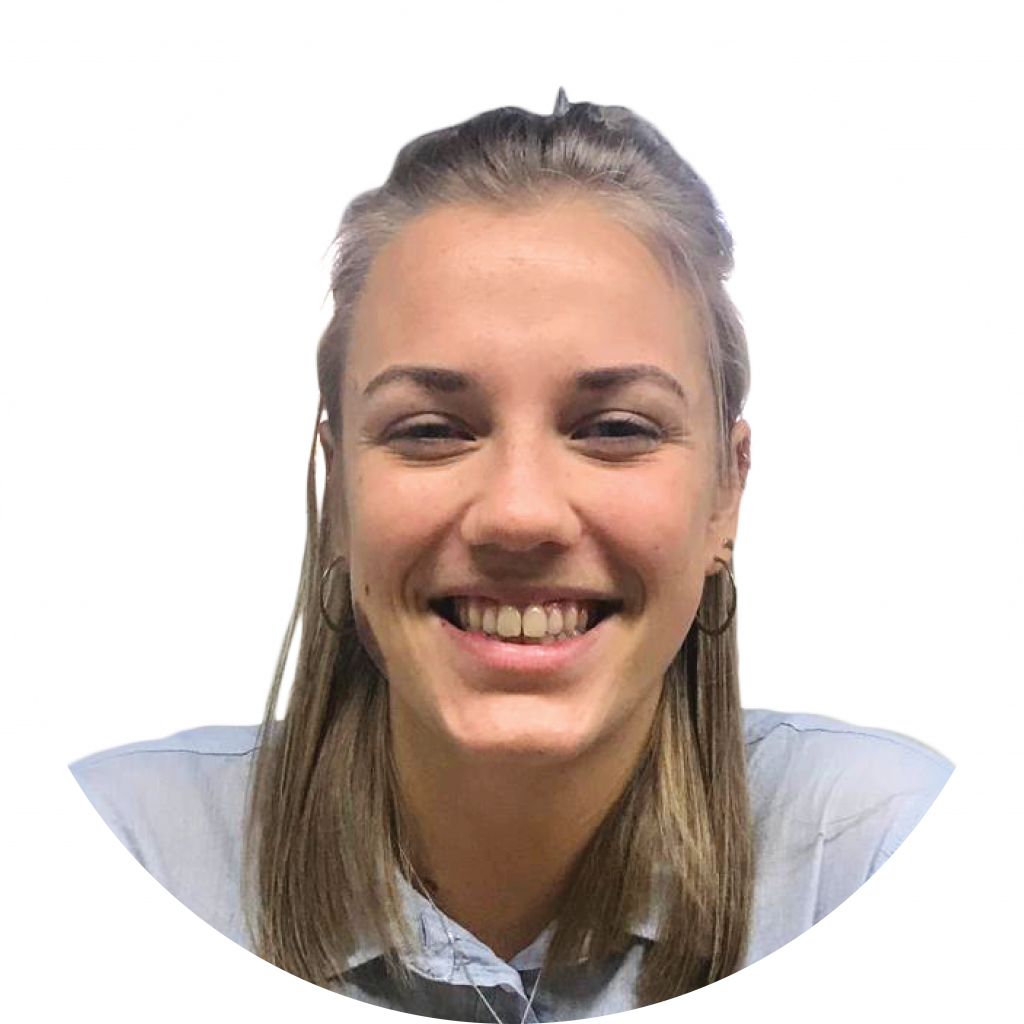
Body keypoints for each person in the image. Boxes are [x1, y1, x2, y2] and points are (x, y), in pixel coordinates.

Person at [68, 90, 954, 1017]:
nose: (519, 514)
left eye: (615, 428)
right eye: (429, 429)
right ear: (340, 495)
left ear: (724, 496)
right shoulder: (142, 845)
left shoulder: (865, 847)